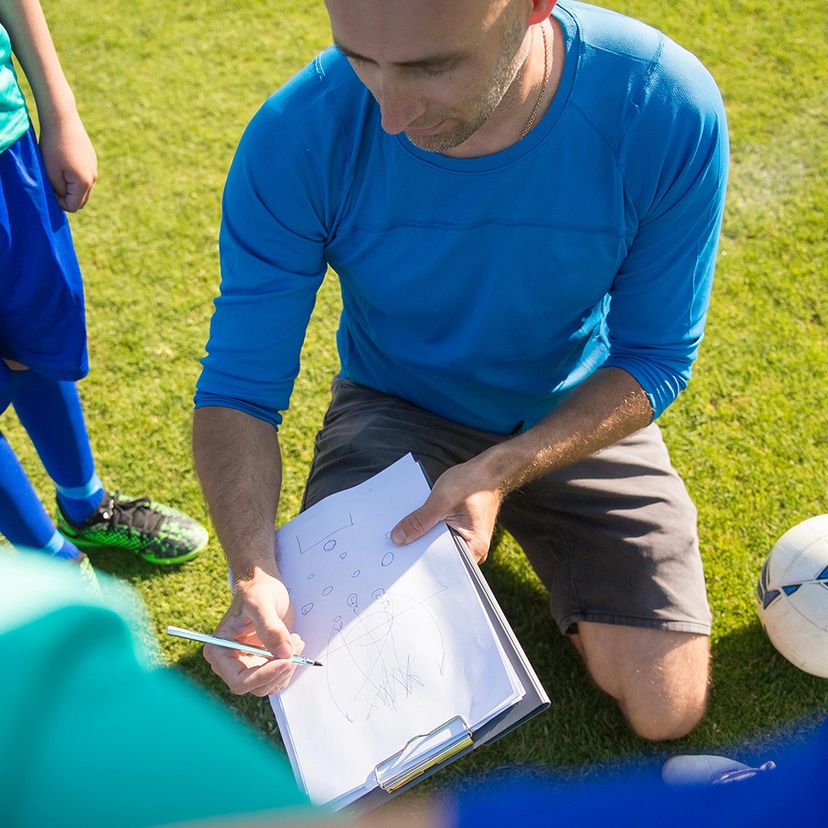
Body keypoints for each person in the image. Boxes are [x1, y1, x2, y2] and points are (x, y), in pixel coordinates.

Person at [193, 0, 729, 741]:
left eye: (431, 66)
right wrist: (253, 570)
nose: (389, 112)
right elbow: (238, 393)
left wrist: (503, 469)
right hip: (396, 406)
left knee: (666, 709)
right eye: (360, 59)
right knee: (351, 707)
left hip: (572, 404)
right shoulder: (298, 134)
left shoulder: (661, 103)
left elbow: (655, 357)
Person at [0, 0, 208, 577]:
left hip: (6, 153)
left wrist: (60, 111)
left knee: (35, 343)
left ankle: (86, 506)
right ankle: (50, 561)